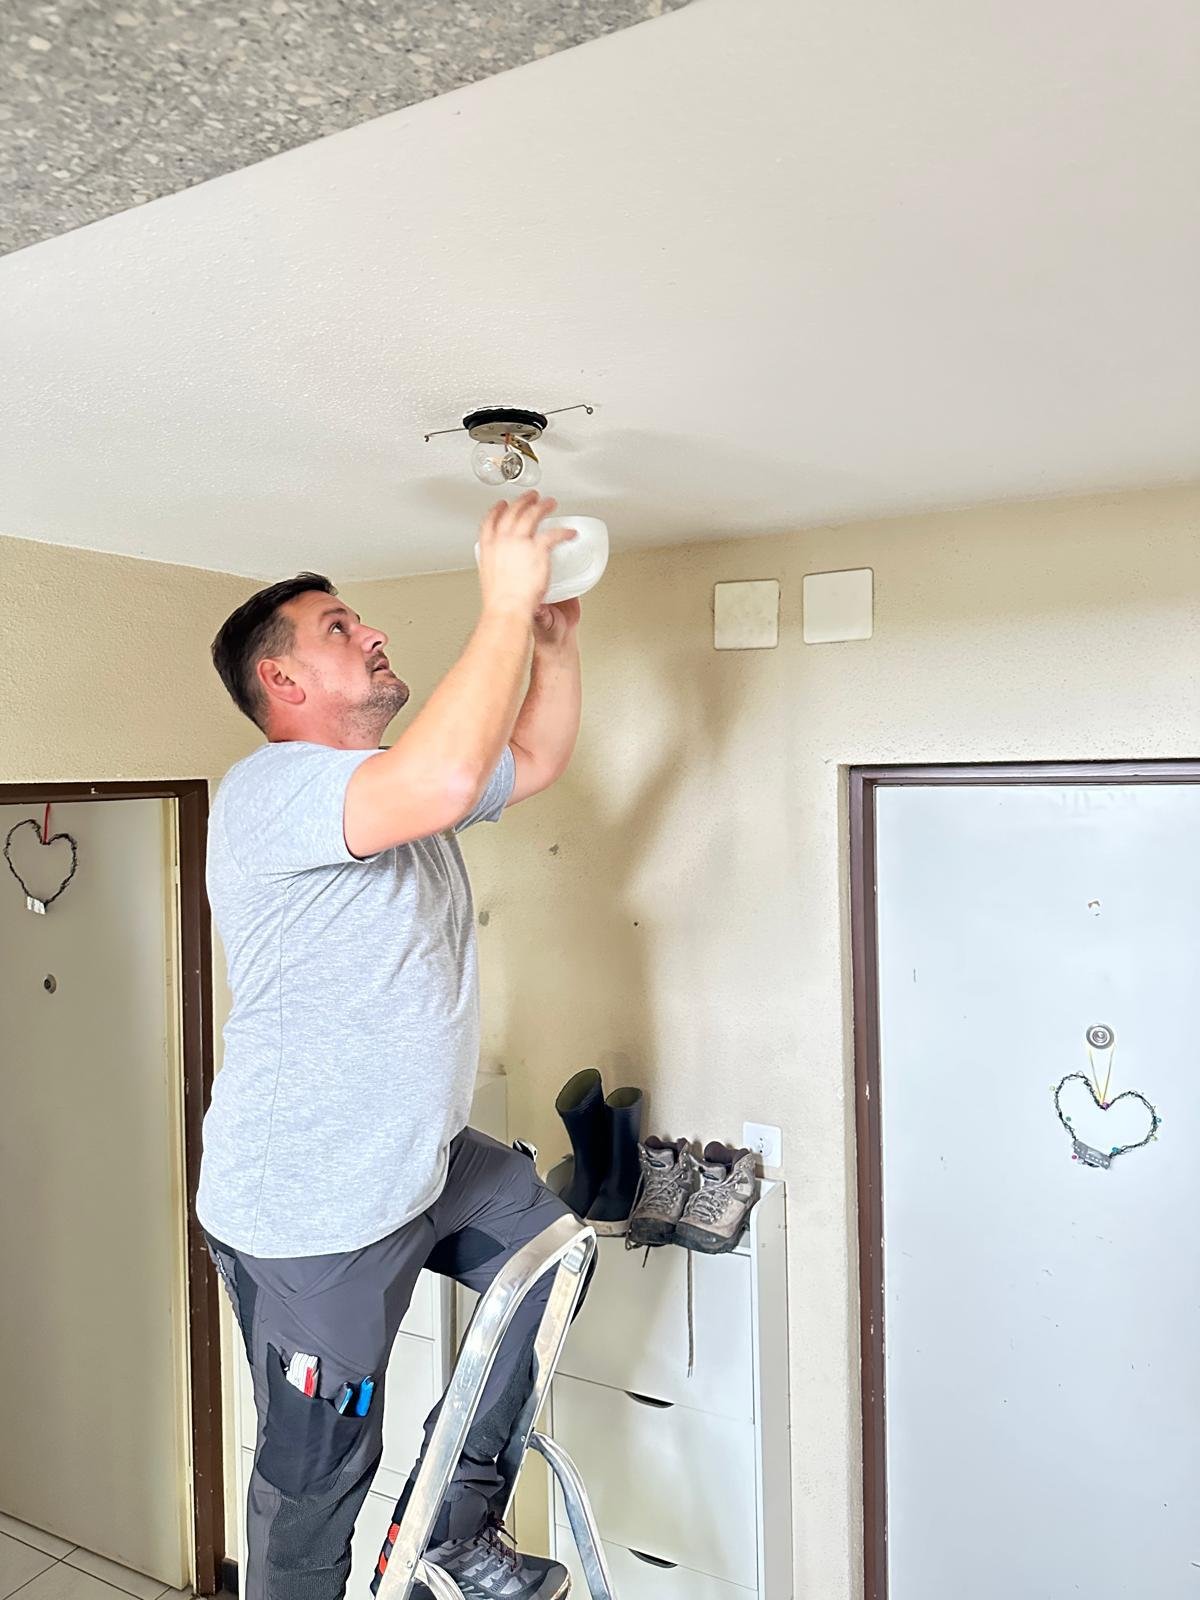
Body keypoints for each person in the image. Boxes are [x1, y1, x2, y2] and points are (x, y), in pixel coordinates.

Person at [197, 492, 584, 1600]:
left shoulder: (389, 795)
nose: (371, 633)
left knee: (550, 1255)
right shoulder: (272, 792)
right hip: (312, 1209)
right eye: (339, 628)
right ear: (283, 681)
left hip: (419, 1162)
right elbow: (447, 775)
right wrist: (499, 605)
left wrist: (553, 644)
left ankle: (452, 1531)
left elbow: (530, 758)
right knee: (314, 1486)